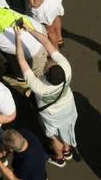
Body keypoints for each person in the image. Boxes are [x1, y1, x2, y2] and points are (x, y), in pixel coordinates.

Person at [17, 24, 77, 166]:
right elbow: (46, 43)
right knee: (67, 129)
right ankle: (67, 149)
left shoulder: (39, 87)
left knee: (53, 137)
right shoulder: (66, 69)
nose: (49, 61)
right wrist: (30, 29)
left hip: (51, 117)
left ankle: (59, 157)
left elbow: (21, 61)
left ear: (46, 74)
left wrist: (19, 38)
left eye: (49, 65)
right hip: (68, 108)